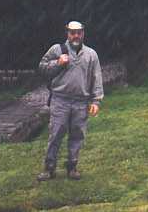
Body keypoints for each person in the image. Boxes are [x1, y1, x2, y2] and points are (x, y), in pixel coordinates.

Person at [37, 20, 103, 180]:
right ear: (67, 33)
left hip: (81, 102)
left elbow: (97, 78)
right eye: (72, 33)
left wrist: (96, 101)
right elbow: (42, 67)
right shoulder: (57, 49)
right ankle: (49, 168)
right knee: (55, 134)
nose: (76, 36)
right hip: (60, 100)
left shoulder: (91, 54)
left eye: (79, 32)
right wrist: (57, 63)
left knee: (77, 135)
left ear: (83, 33)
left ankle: (72, 167)